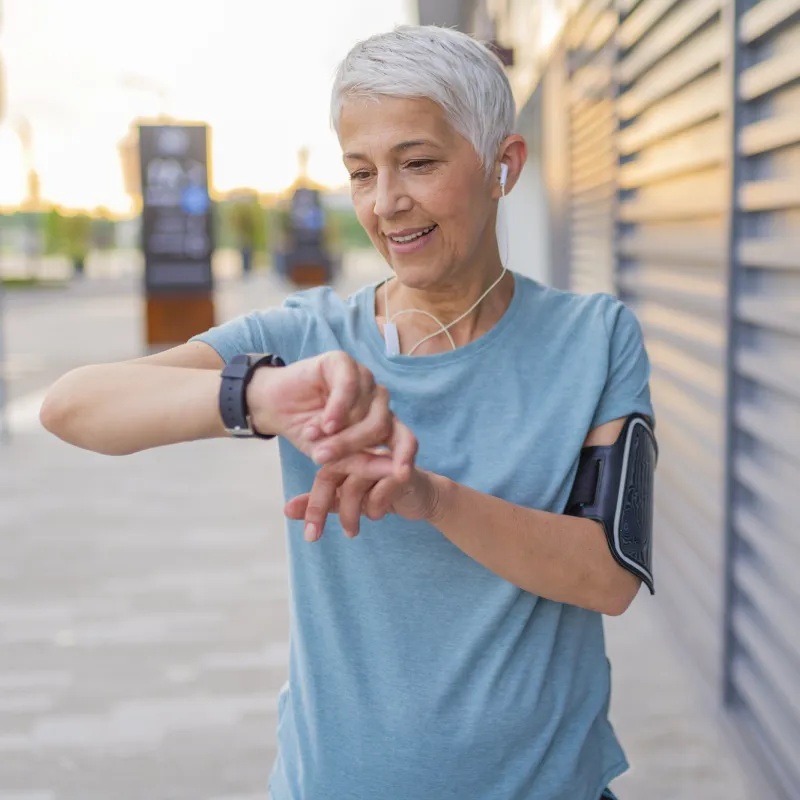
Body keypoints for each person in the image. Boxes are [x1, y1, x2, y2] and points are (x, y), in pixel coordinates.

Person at [40, 24, 656, 800]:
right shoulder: (301, 337)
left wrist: (427, 496)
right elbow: (72, 406)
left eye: (418, 163)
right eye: (361, 173)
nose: (387, 202)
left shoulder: (594, 338)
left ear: (504, 164)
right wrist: (260, 395)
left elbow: (607, 577)